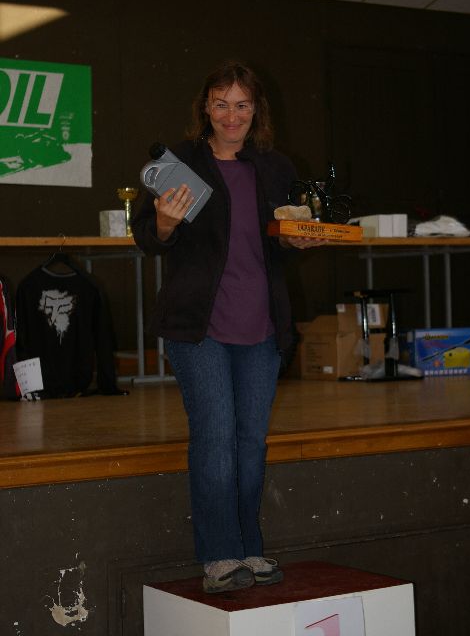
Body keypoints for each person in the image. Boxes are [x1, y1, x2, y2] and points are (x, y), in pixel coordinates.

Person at [132, 61, 327, 594]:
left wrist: (295, 241)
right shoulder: (179, 162)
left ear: (255, 111)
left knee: (251, 442)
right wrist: (165, 223)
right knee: (216, 438)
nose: (232, 114)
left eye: (242, 104)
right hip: (199, 327)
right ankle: (220, 556)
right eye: (221, 103)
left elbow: (277, 242)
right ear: (205, 109)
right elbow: (147, 234)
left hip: (261, 324)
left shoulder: (276, 167)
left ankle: (249, 548)